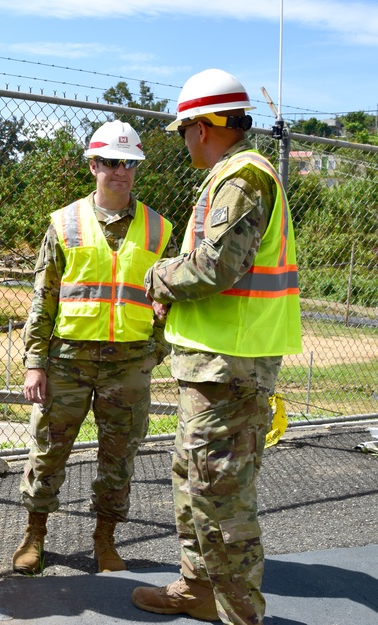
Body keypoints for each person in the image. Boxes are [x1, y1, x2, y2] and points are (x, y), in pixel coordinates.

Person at [132, 69, 302, 625]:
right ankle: (199, 589)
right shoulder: (229, 177)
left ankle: (239, 615)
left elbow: (215, 267)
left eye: (184, 129)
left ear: (204, 127)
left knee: (221, 497)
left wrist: (157, 280)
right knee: (195, 480)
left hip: (230, 366)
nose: (182, 141)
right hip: (213, 364)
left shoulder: (243, 178)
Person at [12, 121, 176, 575]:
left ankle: (105, 541)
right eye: (110, 162)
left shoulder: (159, 229)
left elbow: (170, 300)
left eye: (129, 163)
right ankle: (35, 535)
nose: (120, 171)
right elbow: (43, 296)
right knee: (48, 451)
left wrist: (153, 351)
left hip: (128, 365)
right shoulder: (64, 223)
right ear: (93, 165)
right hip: (66, 361)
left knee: (119, 456)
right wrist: (34, 363)